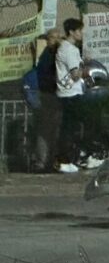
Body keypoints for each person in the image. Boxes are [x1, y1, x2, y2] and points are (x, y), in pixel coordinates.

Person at [55, 18, 86, 173]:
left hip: (68, 92)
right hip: (70, 93)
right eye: (79, 31)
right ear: (72, 32)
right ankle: (65, 159)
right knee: (70, 128)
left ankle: (69, 158)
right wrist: (85, 68)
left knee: (71, 126)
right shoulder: (69, 50)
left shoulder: (68, 49)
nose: (81, 33)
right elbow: (75, 74)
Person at [31, 28, 62, 172]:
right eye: (53, 38)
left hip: (57, 95)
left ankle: (51, 161)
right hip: (48, 95)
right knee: (45, 130)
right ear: (48, 40)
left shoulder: (59, 54)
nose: (56, 40)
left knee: (55, 130)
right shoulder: (47, 56)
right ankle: (42, 162)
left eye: (58, 37)